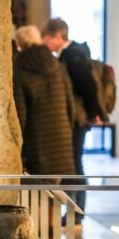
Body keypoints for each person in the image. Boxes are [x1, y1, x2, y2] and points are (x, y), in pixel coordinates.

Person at [40, 18, 102, 215]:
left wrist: (93, 114)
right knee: (73, 162)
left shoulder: (73, 56)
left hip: (77, 119)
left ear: (58, 36)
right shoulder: (70, 55)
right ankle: (74, 210)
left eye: (47, 38)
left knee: (74, 162)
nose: (44, 43)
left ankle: (77, 211)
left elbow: (89, 88)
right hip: (76, 118)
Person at [12, 25, 75, 179]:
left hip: (37, 140)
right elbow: (70, 104)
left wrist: (19, 146)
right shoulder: (57, 65)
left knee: (39, 193)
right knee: (56, 193)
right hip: (61, 138)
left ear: (19, 45)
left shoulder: (20, 69)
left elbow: (21, 113)